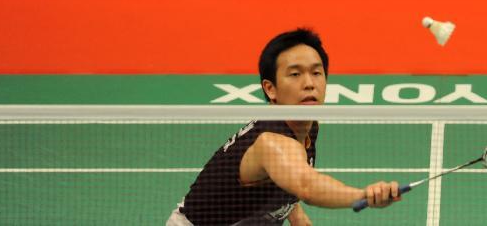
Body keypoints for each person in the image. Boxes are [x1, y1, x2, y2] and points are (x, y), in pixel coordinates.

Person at [167, 29, 400, 225]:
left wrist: (296, 215)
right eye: (295, 74)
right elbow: (306, 185)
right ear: (271, 89)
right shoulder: (272, 142)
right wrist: (364, 196)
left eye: (316, 72)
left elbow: (289, 177)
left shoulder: (305, 124)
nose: (309, 84)